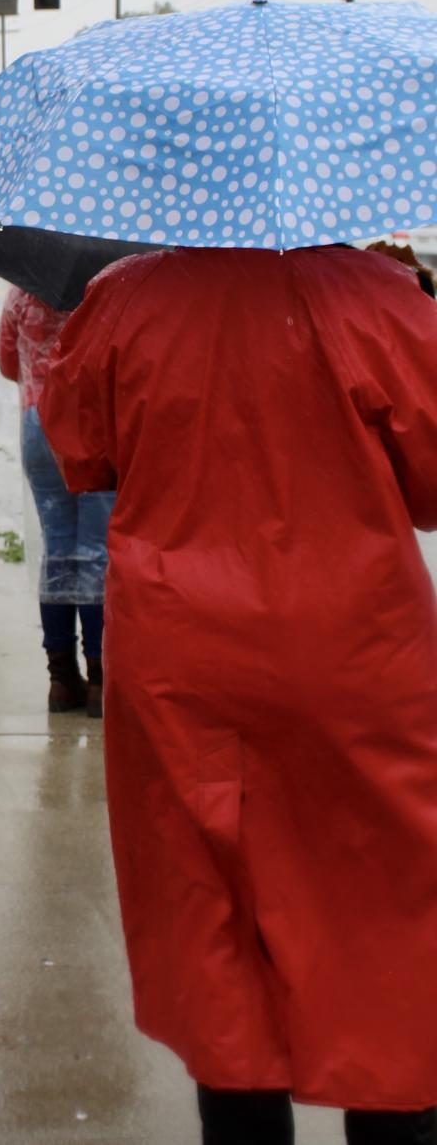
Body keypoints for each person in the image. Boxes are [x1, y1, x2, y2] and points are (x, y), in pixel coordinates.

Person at [39, 245, 437, 1144]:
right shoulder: (373, 293)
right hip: (357, 659)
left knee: (211, 920)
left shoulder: (123, 297)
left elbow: (79, 451)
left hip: (185, 664)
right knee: (383, 917)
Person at [0, 287, 114, 716]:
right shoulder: (106, 290)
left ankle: (61, 679)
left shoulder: (22, 294)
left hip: (38, 420)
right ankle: (102, 678)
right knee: (98, 551)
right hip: (91, 420)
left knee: (58, 550)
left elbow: (7, 361)